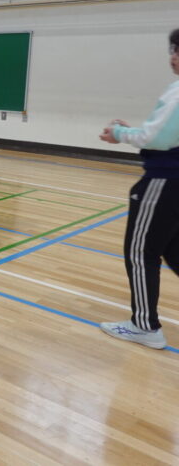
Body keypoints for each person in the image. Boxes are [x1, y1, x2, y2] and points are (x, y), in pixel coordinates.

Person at [98, 28, 179, 350]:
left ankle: (145, 326)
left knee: (141, 251)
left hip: (164, 180)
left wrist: (120, 133)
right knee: (172, 248)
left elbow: (156, 138)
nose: (173, 57)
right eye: (172, 49)